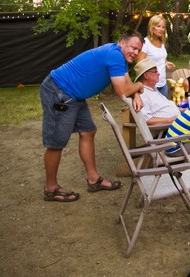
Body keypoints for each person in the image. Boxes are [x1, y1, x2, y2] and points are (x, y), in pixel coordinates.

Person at [40, 29, 144, 202]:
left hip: (76, 95)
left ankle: (94, 180)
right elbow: (122, 91)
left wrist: (137, 93)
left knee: (88, 131)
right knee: (56, 143)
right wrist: (140, 85)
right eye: (133, 48)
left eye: (138, 50)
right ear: (122, 42)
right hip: (59, 91)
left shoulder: (119, 56)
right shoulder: (114, 55)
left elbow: (127, 83)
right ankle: (51, 189)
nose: (135, 52)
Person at [136, 15, 175, 97]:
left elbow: (160, 58)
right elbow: (140, 64)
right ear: (152, 27)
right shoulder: (145, 43)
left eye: (163, 27)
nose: (161, 29)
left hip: (162, 83)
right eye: (158, 26)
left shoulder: (162, 42)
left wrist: (166, 62)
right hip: (150, 85)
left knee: (162, 108)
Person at [133, 58, 180, 127]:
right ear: (146, 75)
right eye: (155, 72)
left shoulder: (153, 90)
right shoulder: (142, 94)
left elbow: (163, 107)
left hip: (175, 125)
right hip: (166, 130)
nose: (158, 74)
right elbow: (146, 119)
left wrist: (182, 109)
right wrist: (169, 120)